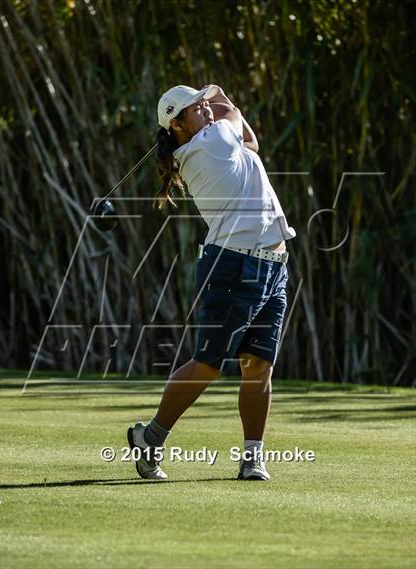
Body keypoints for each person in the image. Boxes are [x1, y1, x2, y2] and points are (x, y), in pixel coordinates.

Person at [127, 84, 296, 481]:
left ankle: (252, 458)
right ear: (177, 126)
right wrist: (217, 91)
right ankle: (151, 436)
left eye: (204, 104)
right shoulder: (213, 138)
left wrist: (207, 100)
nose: (204, 108)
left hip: (273, 264)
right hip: (235, 266)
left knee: (259, 366)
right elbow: (237, 121)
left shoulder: (211, 141)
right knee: (208, 364)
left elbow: (251, 142)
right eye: (194, 108)